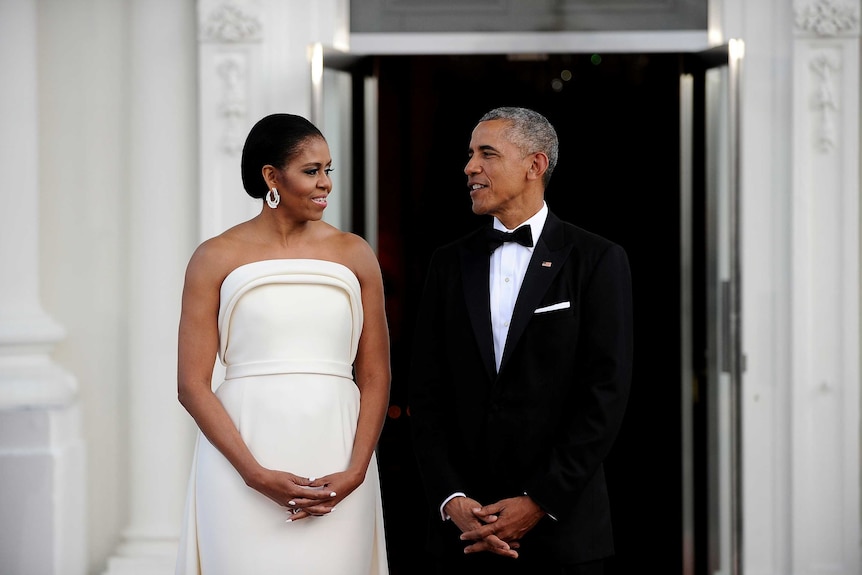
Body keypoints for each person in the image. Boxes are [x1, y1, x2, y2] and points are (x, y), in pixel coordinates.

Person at [408, 106, 633, 574]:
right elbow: (427, 394)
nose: (470, 167)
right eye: (470, 154)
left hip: (563, 531)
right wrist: (452, 498)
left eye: (486, 153)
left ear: (535, 165)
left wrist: (540, 501)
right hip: (462, 532)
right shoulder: (447, 263)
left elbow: (604, 396)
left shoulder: (597, 259)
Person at [175, 113, 390, 574]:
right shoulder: (214, 256)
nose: (325, 184)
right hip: (241, 461)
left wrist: (355, 471)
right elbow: (191, 384)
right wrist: (253, 474)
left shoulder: (355, 254)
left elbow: (374, 375)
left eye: (328, 169)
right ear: (271, 176)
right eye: (311, 171)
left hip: (338, 459)